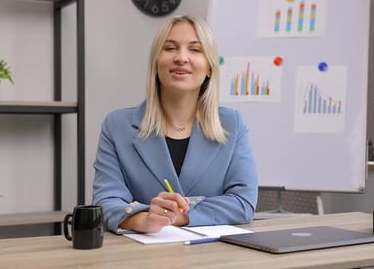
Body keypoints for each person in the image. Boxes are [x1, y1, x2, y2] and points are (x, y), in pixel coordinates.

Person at [92, 15, 258, 234]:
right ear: (156, 63)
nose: (181, 58)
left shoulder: (232, 124)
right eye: (170, 48)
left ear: (209, 67)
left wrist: (182, 216)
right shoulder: (117, 126)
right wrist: (142, 219)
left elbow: (243, 203)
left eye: (195, 50)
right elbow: (106, 202)